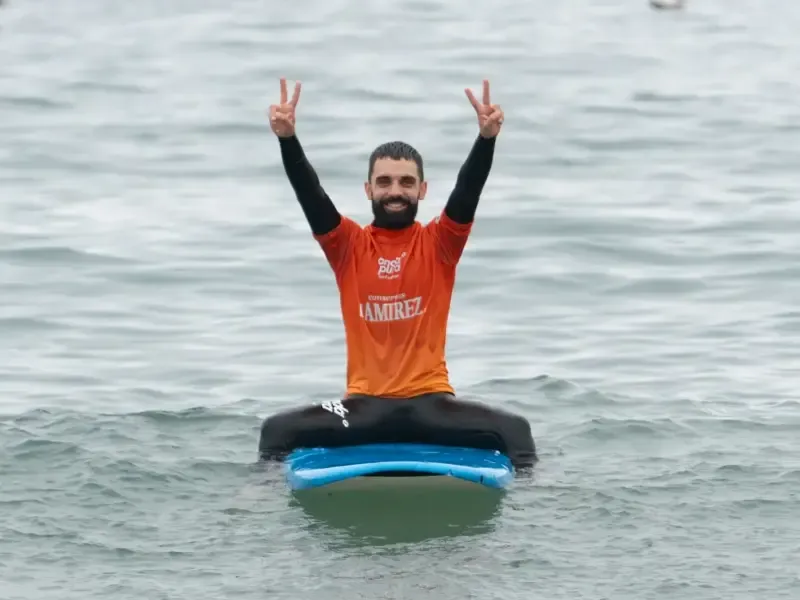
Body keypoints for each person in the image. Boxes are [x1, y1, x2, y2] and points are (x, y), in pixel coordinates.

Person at [259, 78, 536, 468]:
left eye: (406, 182)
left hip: (432, 407)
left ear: (422, 190)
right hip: (360, 410)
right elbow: (312, 195)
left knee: (516, 431)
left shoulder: (440, 243)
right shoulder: (346, 245)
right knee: (275, 431)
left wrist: (486, 139)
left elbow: (466, 191)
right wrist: (288, 139)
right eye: (384, 182)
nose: (395, 191)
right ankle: (260, 501)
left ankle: (532, 506)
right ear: (368, 189)